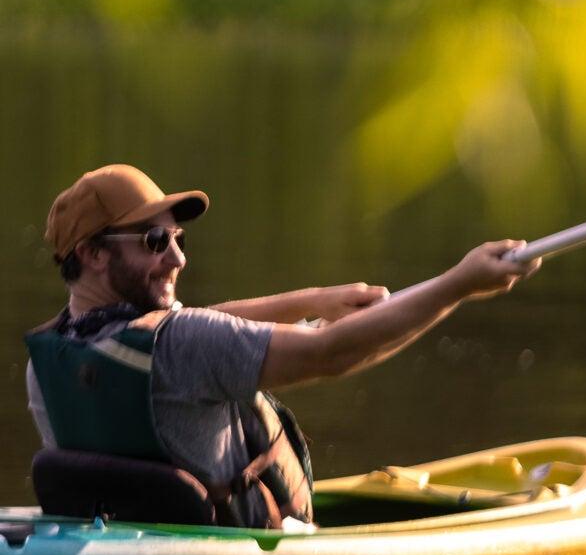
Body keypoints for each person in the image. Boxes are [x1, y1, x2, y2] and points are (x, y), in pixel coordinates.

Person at [27, 163, 539, 528]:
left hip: (126, 547)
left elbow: (190, 329)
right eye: (155, 242)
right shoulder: (184, 346)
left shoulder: (52, 360)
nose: (178, 258)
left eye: (178, 238)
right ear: (93, 253)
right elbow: (332, 353)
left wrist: (313, 300)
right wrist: (459, 285)